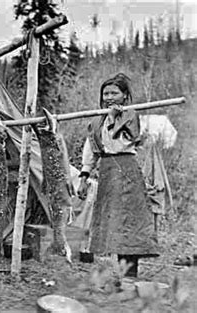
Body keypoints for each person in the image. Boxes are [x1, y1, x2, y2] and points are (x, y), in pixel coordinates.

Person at [77, 74, 159, 277]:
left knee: (129, 224)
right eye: (106, 93)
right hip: (107, 173)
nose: (109, 97)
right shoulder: (97, 121)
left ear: (124, 96)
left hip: (126, 170)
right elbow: (92, 151)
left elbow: (120, 144)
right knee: (112, 223)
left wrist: (114, 117)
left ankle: (129, 275)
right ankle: (121, 274)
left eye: (115, 93)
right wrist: (84, 177)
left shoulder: (130, 115)